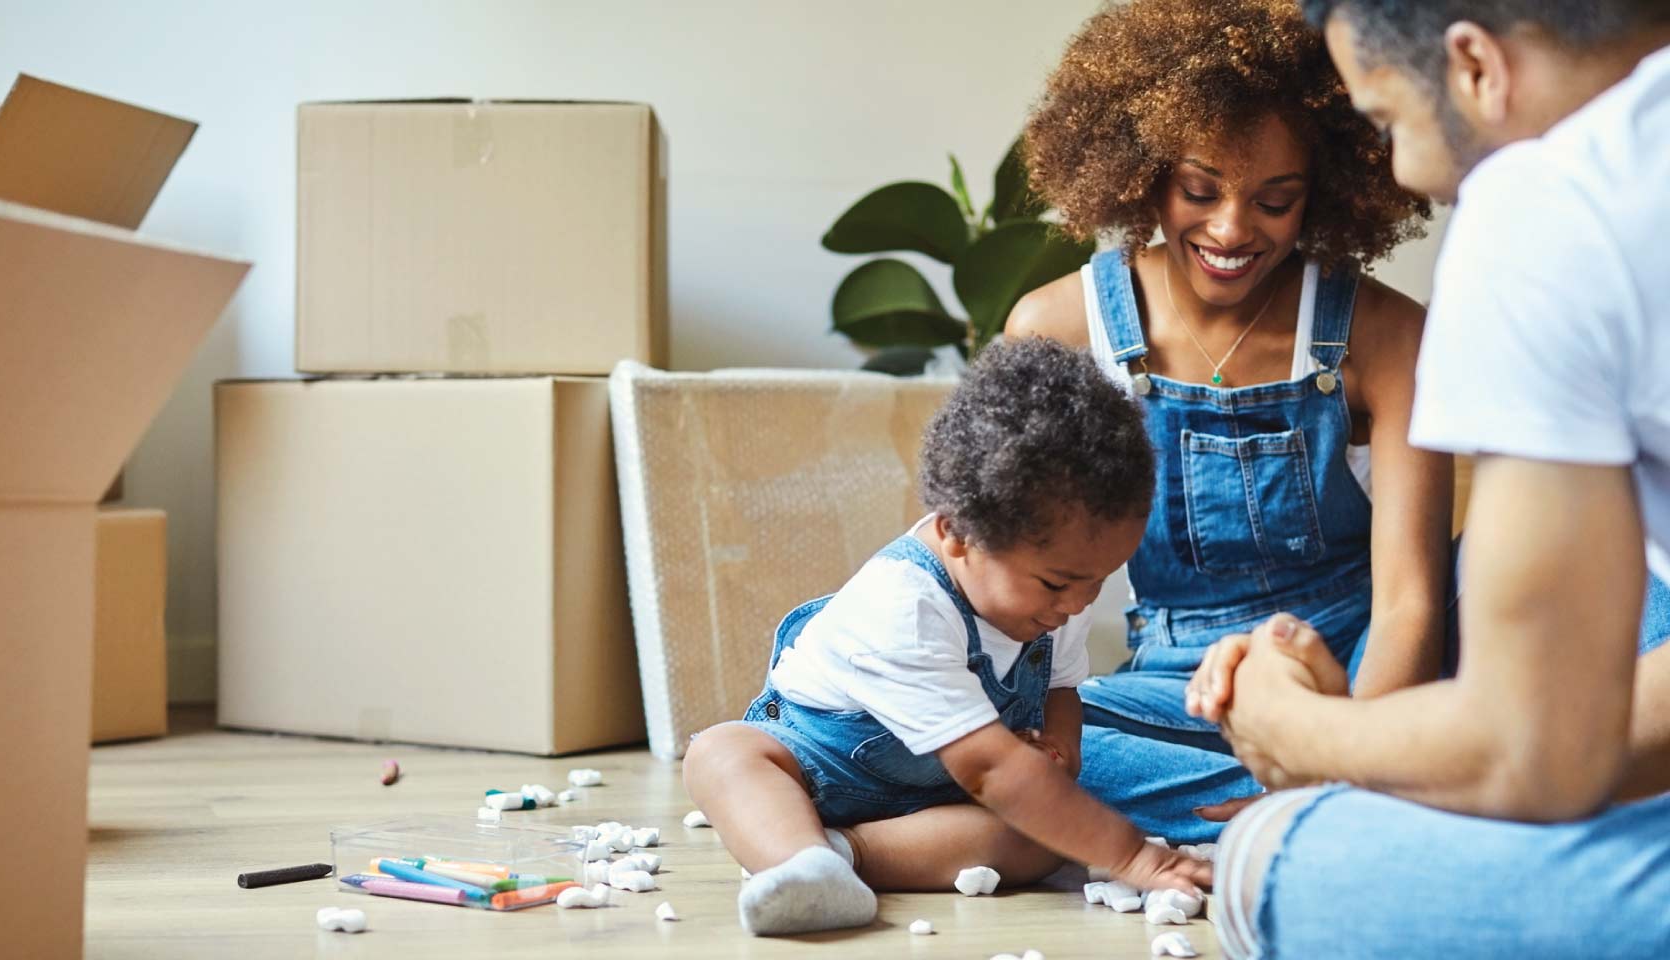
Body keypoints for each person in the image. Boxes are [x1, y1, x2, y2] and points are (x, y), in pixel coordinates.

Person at [1190, 2, 1670, 955]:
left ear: (1475, 65)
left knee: (1269, 852)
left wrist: (1298, 732)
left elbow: (1538, 754)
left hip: (1510, 727)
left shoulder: (1549, 198)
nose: (1406, 171)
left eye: (1385, 122)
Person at [1004, 0, 1451, 843]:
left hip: (1367, 670)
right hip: (1181, 685)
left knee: (1636, 611)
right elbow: (1007, 585)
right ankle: (1382, 806)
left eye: (1276, 201)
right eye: (1198, 190)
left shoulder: (1388, 337)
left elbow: (1411, 604)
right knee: (1027, 755)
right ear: (1143, 172)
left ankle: (1339, 802)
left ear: (1325, 193)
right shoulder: (1055, 331)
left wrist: (1345, 753)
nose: (1232, 230)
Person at [682, 337, 1210, 937]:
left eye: (1099, 581)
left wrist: (1060, 754)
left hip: (937, 798)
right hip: (820, 766)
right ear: (957, 532)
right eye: (1059, 583)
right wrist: (1134, 856)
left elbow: (1062, 686)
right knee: (723, 754)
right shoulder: (903, 607)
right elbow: (989, 769)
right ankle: (794, 851)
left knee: (1039, 834)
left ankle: (840, 858)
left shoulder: (1060, 594)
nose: (1080, 603)